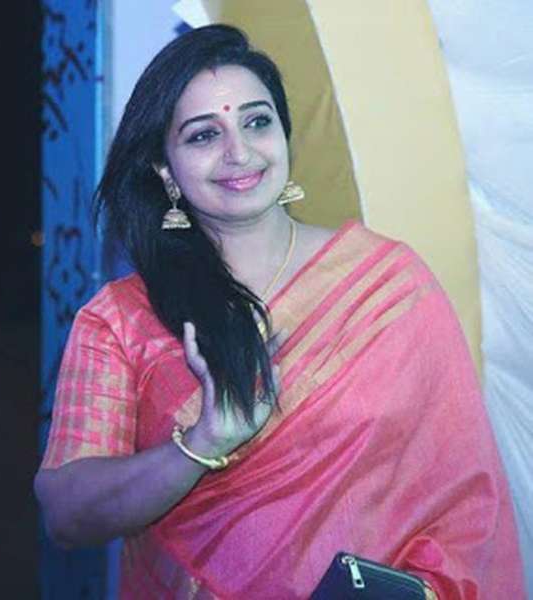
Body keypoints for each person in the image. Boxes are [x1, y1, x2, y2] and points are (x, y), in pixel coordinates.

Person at [35, 24, 525, 599]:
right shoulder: (120, 320)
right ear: (164, 170)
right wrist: (203, 443)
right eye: (203, 135)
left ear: (285, 135)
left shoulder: (388, 286)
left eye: (257, 122)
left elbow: (464, 501)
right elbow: (67, 513)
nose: (239, 152)